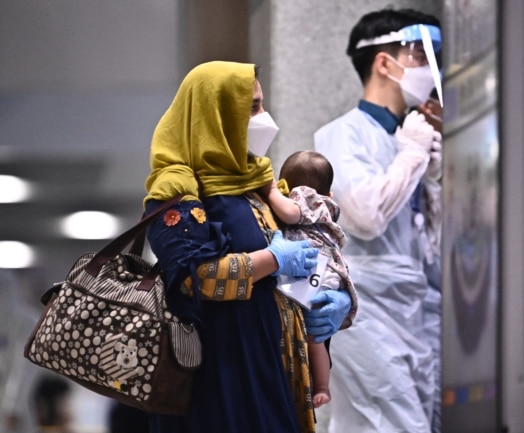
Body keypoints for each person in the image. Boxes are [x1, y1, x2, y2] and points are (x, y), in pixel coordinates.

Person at [142, 61, 353, 433]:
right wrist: (273, 259)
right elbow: (195, 277)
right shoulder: (176, 191)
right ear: (216, 115)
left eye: (262, 104)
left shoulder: (257, 184)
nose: (264, 117)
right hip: (221, 376)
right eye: (253, 107)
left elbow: (310, 248)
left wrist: (336, 305)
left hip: (273, 365)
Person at [313, 7, 444, 433]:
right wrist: (412, 155)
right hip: (364, 309)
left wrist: (436, 181)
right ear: (384, 63)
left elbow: (432, 244)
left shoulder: (409, 136)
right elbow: (365, 216)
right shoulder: (340, 135)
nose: (432, 70)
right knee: (402, 426)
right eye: (422, 58)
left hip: (414, 308)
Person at [262, 150, 358, 408]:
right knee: (316, 340)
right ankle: (323, 386)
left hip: (313, 273)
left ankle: (323, 386)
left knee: (313, 336)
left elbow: (291, 214)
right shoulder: (327, 205)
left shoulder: (304, 197)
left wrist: (270, 191)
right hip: (323, 272)